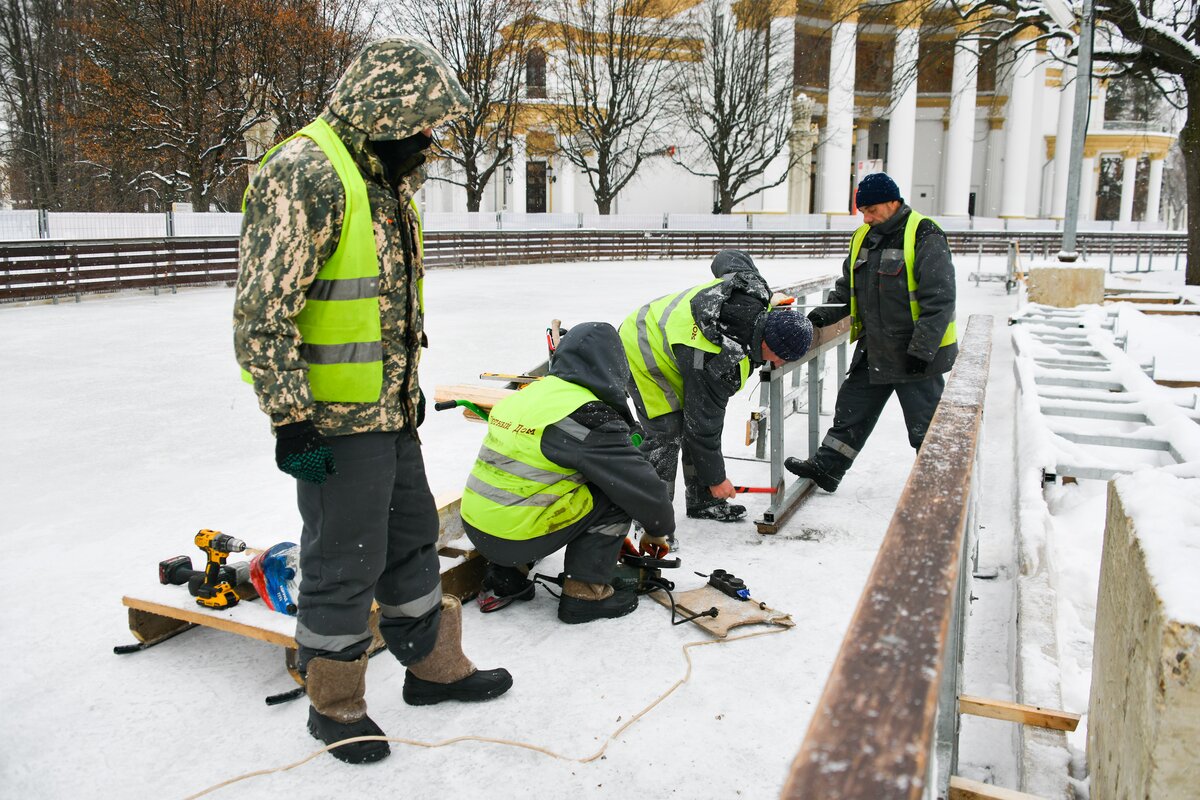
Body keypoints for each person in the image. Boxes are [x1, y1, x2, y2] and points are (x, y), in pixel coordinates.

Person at [233, 38, 511, 765]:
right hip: (328, 423)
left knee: (414, 533)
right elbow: (264, 314)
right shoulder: (305, 174)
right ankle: (336, 705)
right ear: (384, 111)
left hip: (387, 414)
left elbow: (381, 303)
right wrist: (292, 420)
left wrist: (404, 389)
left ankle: (433, 667)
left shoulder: (385, 174)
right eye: (422, 124)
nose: (431, 139)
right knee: (342, 560)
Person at [460, 322, 675, 623]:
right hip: (515, 538)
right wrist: (657, 528)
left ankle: (504, 578)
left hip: (477, 527)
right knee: (616, 491)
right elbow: (642, 488)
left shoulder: (531, 393)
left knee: (535, 487)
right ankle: (585, 595)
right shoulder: (587, 415)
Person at [785, 172, 958, 492]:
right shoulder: (863, 237)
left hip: (914, 352)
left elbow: (940, 299)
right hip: (875, 347)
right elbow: (848, 290)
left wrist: (922, 350)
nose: (866, 217)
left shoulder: (923, 233)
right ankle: (828, 467)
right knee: (852, 409)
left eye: (872, 210)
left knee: (927, 427)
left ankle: (941, 485)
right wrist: (824, 313)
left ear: (893, 202)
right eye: (862, 211)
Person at [619, 250, 814, 530]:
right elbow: (702, 426)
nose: (780, 363)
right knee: (667, 433)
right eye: (781, 357)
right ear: (768, 343)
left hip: (676, 347)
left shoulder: (755, 291)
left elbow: (728, 258)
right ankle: (652, 523)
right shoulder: (719, 360)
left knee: (697, 424)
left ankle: (703, 501)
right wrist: (717, 479)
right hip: (642, 349)